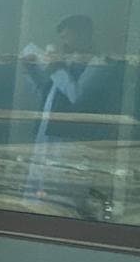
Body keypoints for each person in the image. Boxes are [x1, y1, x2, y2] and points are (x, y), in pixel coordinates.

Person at [21, 16, 119, 217]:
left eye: (67, 37)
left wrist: (57, 67)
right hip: (47, 129)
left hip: (69, 135)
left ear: (83, 34)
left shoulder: (98, 63)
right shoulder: (66, 61)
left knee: (63, 185)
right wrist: (30, 69)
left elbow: (77, 96)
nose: (64, 43)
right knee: (39, 177)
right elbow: (44, 92)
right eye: (62, 38)